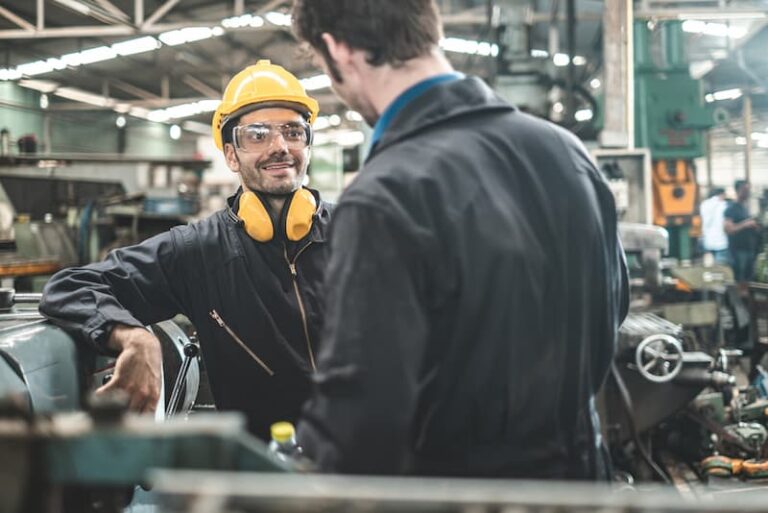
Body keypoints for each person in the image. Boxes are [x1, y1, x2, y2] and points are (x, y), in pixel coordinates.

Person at [291, 0, 629, 479]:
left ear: (338, 49)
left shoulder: (385, 195)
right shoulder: (566, 153)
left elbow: (364, 421)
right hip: (580, 482)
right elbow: (611, 312)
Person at [39, 60, 333, 439]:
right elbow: (70, 286)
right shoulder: (199, 252)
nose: (280, 147)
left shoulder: (358, 233)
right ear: (230, 155)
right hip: (261, 474)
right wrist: (136, 336)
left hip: (365, 464)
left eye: (293, 132)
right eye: (257, 134)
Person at [725, 180, 759, 287]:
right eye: (745, 190)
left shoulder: (744, 208)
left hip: (749, 249)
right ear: (738, 190)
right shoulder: (731, 209)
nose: (747, 192)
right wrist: (745, 224)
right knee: (739, 278)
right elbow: (728, 229)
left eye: (748, 190)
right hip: (738, 251)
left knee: (748, 278)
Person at [700, 187, 729, 265]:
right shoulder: (724, 205)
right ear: (722, 194)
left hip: (708, 241)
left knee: (710, 267)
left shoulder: (704, 204)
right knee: (720, 268)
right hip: (722, 241)